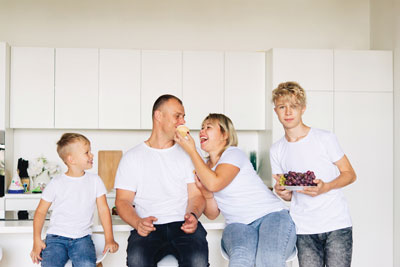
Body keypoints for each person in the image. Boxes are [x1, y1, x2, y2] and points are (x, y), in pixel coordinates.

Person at [175, 113, 296, 267]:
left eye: (209, 127)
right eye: (201, 128)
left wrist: (192, 151)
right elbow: (212, 214)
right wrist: (206, 194)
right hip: (238, 224)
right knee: (241, 259)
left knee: (268, 259)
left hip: (271, 216)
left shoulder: (233, 154)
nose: (202, 131)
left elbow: (214, 183)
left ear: (224, 135)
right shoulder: (203, 166)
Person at [114, 94, 209, 267]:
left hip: (182, 225)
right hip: (148, 226)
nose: (182, 122)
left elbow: (196, 195)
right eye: (177, 116)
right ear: (158, 116)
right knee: (137, 261)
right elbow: (122, 201)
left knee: (197, 261)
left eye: (183, 117)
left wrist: (193, 215)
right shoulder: (132, 157)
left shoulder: (190, 152)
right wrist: (137, 222)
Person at [270, 81, 356, 267]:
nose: (288, 112)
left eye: (293, 106)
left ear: (303, 109)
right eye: (282, 107)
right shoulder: (276, 150)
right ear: (275, 110)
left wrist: (326, 187)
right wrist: (283, 193)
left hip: (336, 224)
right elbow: (287, 193)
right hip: (304, 228)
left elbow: (350, 174)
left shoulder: (325, 138)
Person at [30, 133, 119, 267]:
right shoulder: (56, 183)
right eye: (87, 152)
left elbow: (103, 210)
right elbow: (40, 212)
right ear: (71, 159)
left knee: (87, 264)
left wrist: (109, 238)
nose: (92, 155)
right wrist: (36, 240)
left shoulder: (95, 181)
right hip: (55, 238)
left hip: (82, 239)